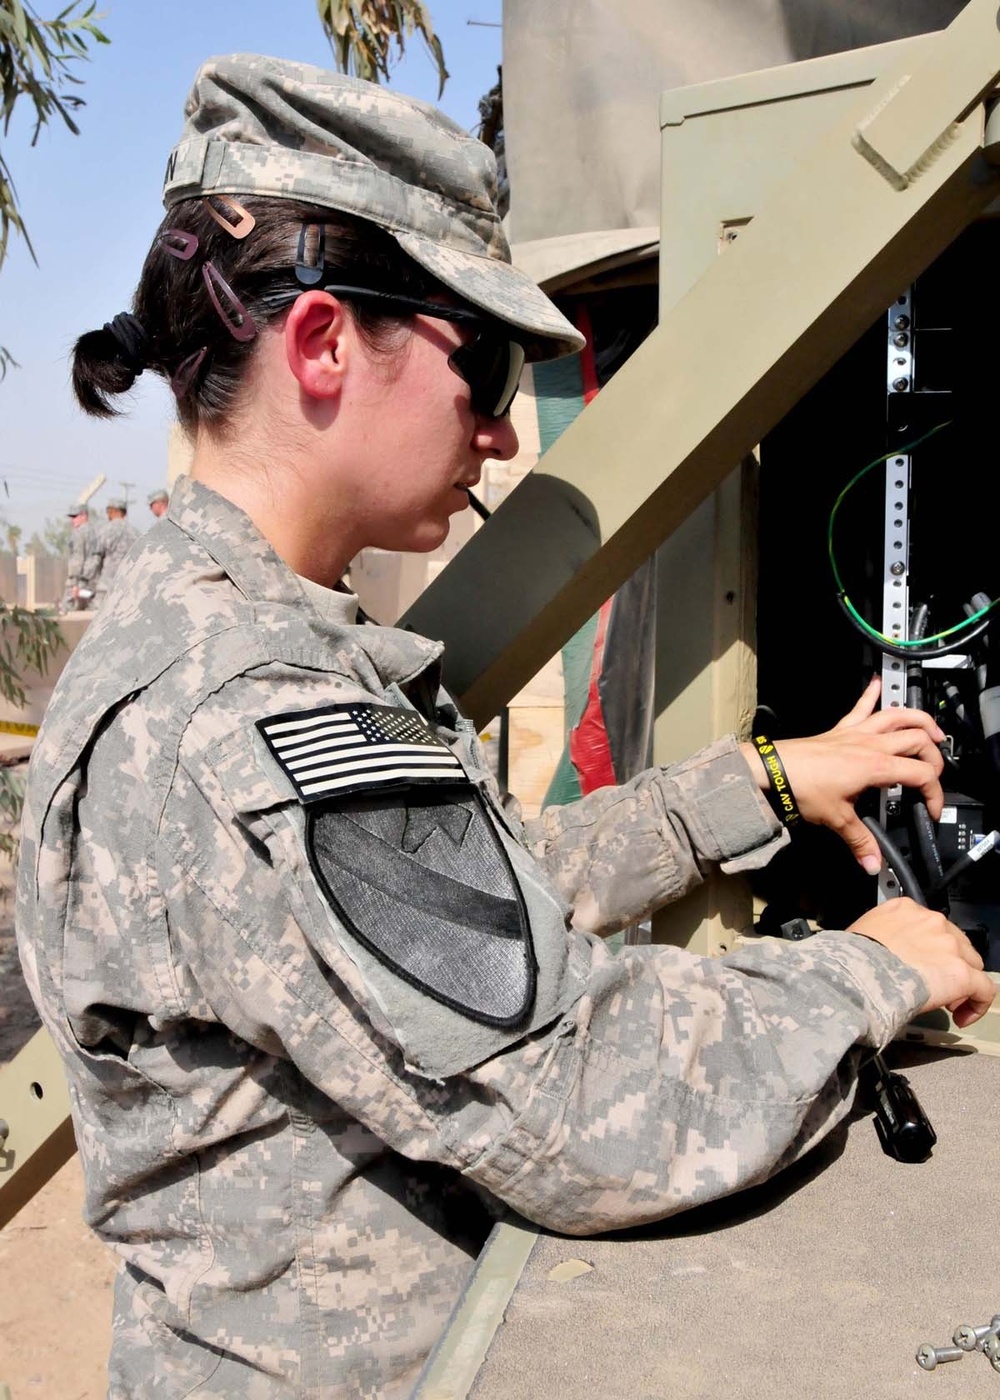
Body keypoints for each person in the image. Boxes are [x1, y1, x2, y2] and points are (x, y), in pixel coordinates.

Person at [16, 54, 993, 1400]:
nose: (496, 432)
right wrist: (871, 974)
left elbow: (477, 900)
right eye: (481, 365)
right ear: (318, 345)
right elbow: (578, 1101)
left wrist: (755, 783)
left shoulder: (238, 632)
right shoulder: (242, 704)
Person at [92, 496, 140, 608]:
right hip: (129, 586)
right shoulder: (135, 532)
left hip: (106, 587)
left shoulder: (105, 531)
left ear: (111, 511)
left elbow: (95, 559)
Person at [60, 501, 100, 611]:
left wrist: (74, 583)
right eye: (71, 517)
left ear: (84, 515)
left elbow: (77, 559)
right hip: (92, 579)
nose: (73, 520)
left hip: (80, 580)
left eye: (75, 516)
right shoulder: (94, 532)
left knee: (66, 608)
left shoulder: (79, 533)